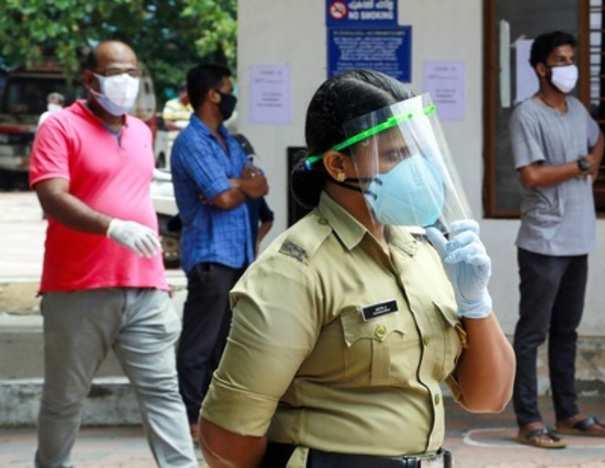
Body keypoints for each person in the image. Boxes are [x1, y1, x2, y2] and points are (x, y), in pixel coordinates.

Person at [198, 69, 515, 468]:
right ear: (337, 165)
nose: (417, 167)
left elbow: (489, 397)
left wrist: (477, 303)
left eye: (417, 150)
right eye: (396, 154)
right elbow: (227, 438)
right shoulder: (295, 270)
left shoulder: (423, 252)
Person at [29, 40, 197, 467]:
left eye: (133, 73)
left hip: (145, 286)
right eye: (116, 73)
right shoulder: (60, 127)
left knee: (163, 394)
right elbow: (51, 196)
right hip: (79, 288)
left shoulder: (141, 131)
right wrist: (111, 226)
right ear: (91, 80)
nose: (126, 82)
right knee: (64, 400)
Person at [509, 31, 605, 449]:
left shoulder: (577, 109)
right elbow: (531, 175)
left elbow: (598, 139)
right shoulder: (527, 115)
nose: (569, 66)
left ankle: (569, 412)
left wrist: (592, 162)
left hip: (578, 237)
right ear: (541, 68)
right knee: (532, 333)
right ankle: (528, 419)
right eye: (561, 59)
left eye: (572, 58)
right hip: (543, 242)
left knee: (567, 331)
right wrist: (579, 167)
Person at [171, 64, 269, 440]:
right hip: (211, 258)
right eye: (227, 89)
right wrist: (233, 186)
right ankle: (192, 419)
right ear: (213, 94)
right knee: (200, 343)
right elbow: (225, 198)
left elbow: (259, 183)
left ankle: (214, 416)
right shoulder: (192, 142)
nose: (231, 95)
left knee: (226, 345)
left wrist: (232, 184)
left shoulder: (229, 139)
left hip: (239, 256)